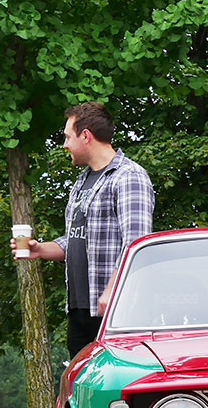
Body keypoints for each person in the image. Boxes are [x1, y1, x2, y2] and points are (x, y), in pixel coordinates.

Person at [15, 102, 155, 357]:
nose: (65, 144)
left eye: (68, 137)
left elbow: (137, 243)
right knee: (79, 392)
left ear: (86, 136)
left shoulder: (128, 176)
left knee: (115, 390)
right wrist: (40, 250)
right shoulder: (83, 181)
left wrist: (114, 289)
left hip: (115, 311)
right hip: (81, 309)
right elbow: (77, 238)